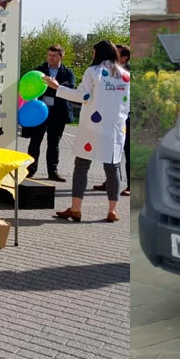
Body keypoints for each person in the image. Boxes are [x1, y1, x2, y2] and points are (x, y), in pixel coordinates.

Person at [48, 41, 132, 223]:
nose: (92, 56)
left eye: (93, 52)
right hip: (115, 128)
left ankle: (76, 209)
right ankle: (113, 210)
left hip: (92, 127)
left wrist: (57, 88)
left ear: (99, 53)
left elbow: (82, 96)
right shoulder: (125, 76)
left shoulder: (93, 72)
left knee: (81, 166)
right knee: (113, 167)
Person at [23, 45, 77, 182]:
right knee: (35, 142)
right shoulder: (39, 70)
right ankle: (30, 170)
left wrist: (54, 85)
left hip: (57, 112)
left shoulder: (68, 72)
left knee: (54, 143)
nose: (51, 58)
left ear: (61, 57)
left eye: (54, 56)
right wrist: (54, 87)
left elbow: (70, 87)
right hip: (39, 111)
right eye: (49, 55)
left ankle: (52, 171)